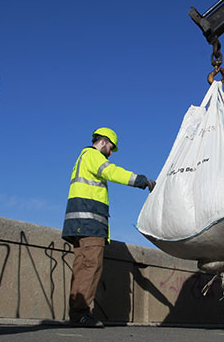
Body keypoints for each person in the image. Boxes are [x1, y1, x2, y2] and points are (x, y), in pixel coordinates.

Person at [62, 127, 156, 327]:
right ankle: (82, 314)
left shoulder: (82, 159)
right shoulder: (92, 155)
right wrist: (142, 181)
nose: (111, 153)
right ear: (103, 141)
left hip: (78, 224)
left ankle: (77, 314)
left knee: (81, 268)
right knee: (91, 267)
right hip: (89, 224)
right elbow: (112, 172)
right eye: (111, 148)